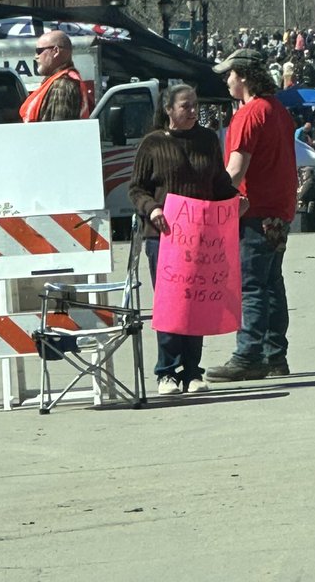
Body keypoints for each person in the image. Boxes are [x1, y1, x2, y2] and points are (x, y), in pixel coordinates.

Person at [128, 84, 239, 397]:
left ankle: (192, 371)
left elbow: (219, 183)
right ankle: (167, 373)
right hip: (163, 237)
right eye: (185, 106)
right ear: (169, 110)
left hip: (200, 237)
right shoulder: (152, 144)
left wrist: (235, 200)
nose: (192, 112)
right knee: (172, 306)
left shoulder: (206, 140)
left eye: (195, 106)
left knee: (197, 304)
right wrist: (152, 210)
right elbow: (136, 189)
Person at [206, 48, 298, 382]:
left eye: (229, 74)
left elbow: (235, 170)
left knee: (251, 286)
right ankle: (275, 355)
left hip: (253, 209)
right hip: (280, 209)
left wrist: (207, 198)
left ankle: (249, 355)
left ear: (242, 75)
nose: (227, 80)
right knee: (272, 283)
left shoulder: (248, 114)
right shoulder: (278, 110)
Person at [19, 30, 91, 122]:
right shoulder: (60, 81)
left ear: (55, 51)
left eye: (39, 51)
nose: (36, 56)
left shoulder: (62, 85)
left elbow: (58, 130)